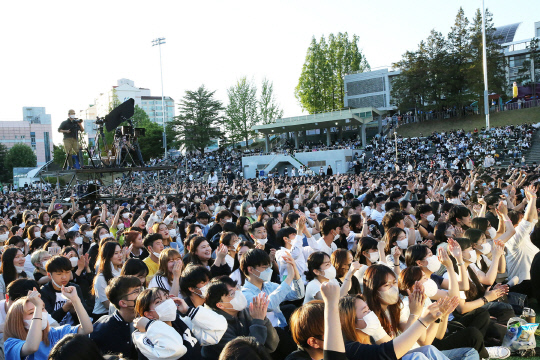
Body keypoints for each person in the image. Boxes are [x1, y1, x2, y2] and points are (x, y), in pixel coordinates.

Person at [4, 286, 93, 360]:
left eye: (43, 309)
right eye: (32, 312)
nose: (40, 313)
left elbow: (87, 329)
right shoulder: (11, 344)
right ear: (18, 320)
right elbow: (32, 347)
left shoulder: (53, 333)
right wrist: (38, 306)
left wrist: (75, 299)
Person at [202, 276, 278, 359]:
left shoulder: (246, 311)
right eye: (232, 294)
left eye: (237, 288)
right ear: (220, 305)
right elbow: (245, 354)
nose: (238, 293)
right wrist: (258, 322)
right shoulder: (214, 327)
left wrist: (263, 319)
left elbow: (272, 345)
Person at [90, 275, 141, 358]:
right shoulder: (103, 328)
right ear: (123, 303)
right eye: (136, 291)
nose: (142, 295)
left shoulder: (147, 318)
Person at [40, 256, 90, 326]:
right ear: (49, 275)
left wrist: (75, 309)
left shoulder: (74, 288)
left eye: (67, 272)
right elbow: (48, 320)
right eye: (59, 274)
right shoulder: (44, 291)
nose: (64, 277)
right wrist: (65, 308)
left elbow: (86, 314)